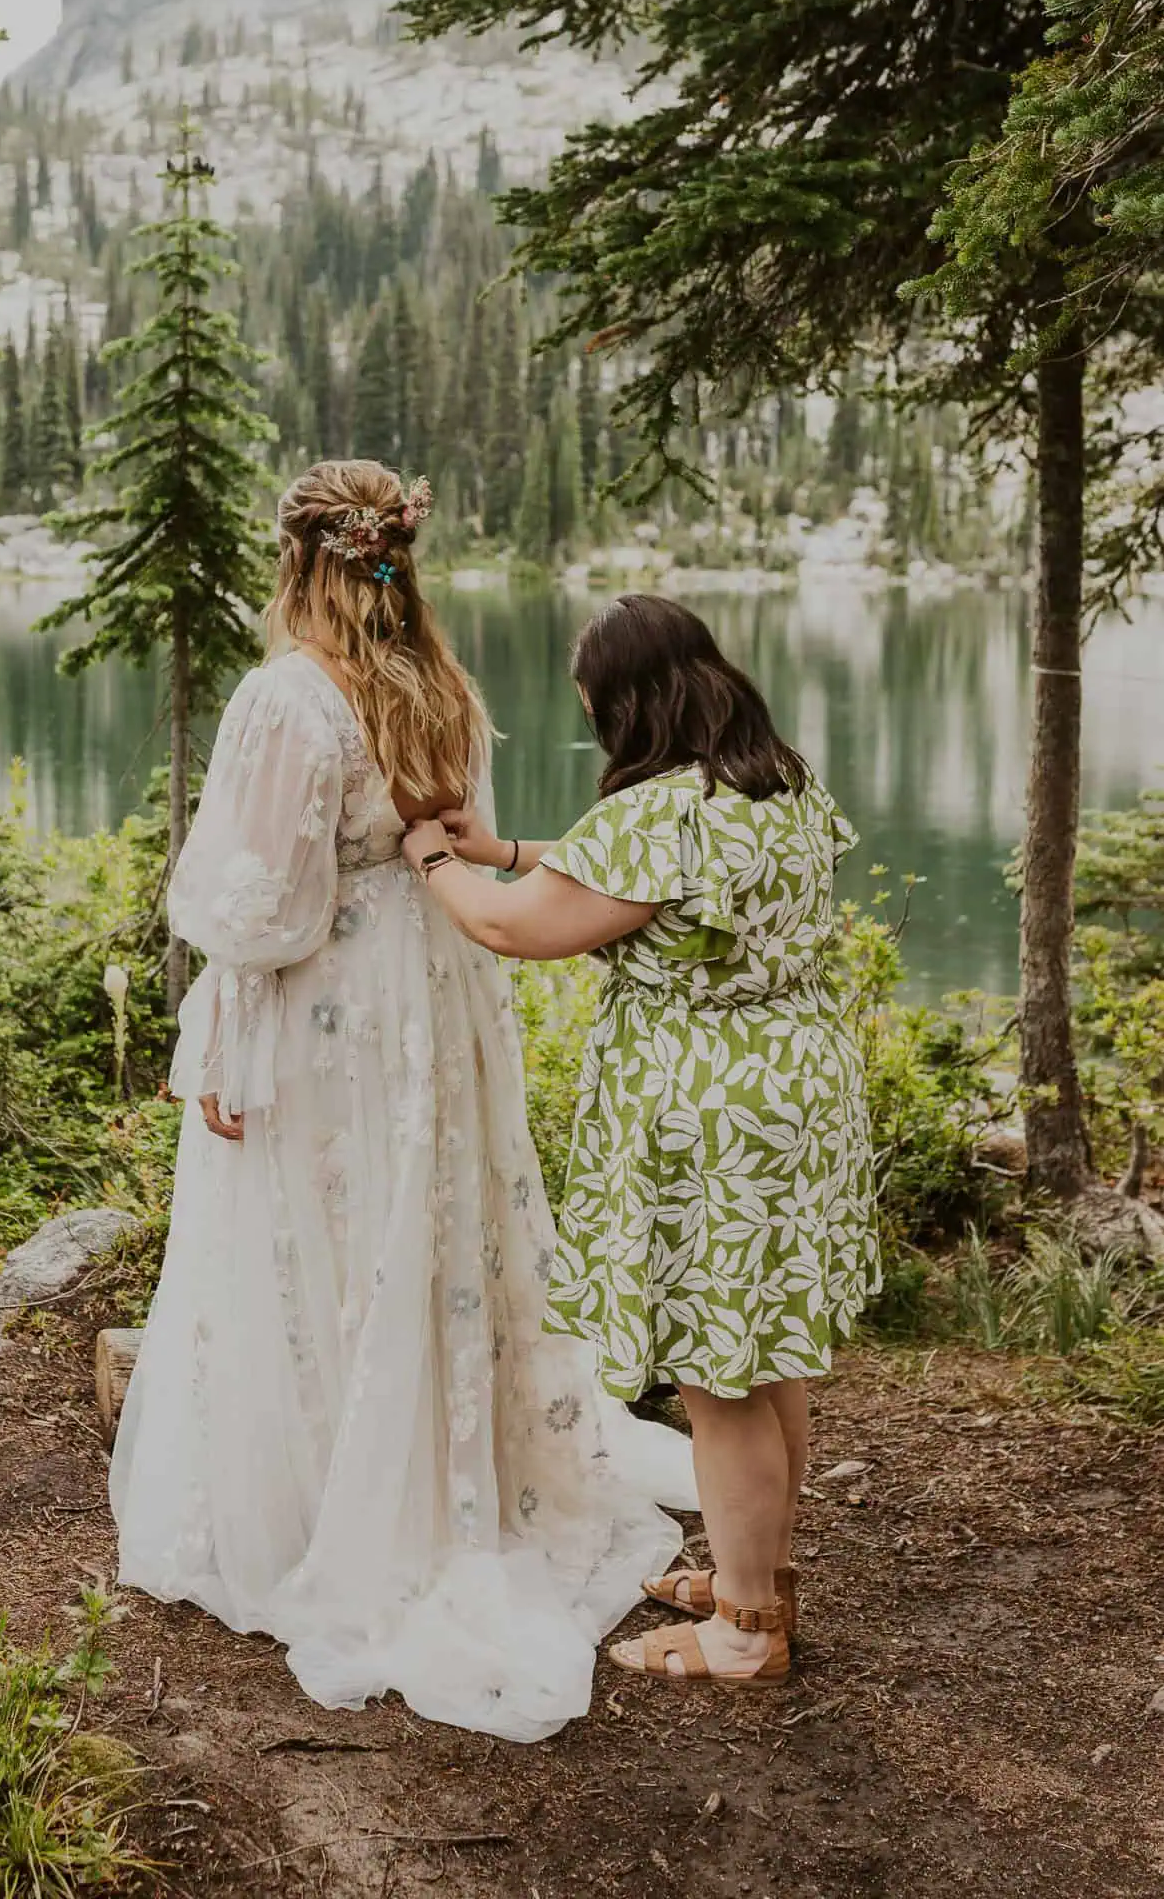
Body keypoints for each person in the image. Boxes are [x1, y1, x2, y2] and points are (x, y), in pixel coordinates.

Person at [109, 463, 694, 1743]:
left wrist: (202, 953)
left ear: (298, 561)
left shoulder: (286, 696)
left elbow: (261, 908)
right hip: (432, 990)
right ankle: (447, 1483)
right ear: (392, 559)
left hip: (324, 1011)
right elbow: (461, 834)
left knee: (318, 1240)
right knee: (423, 1235)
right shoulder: (441, 682)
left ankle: (338, 1507)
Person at [404, 592, 879, 1689]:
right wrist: (512, 843)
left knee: (720, 1381)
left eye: (595, 711)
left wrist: (437, 857)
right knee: (766, 1359)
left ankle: (747, 1631)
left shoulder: (654, 814)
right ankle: (757, 1573)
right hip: (797, 1093)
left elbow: (513, 925)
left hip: (710, 1118)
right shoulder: (783, 783)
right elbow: (647, 888)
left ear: (632, 704)